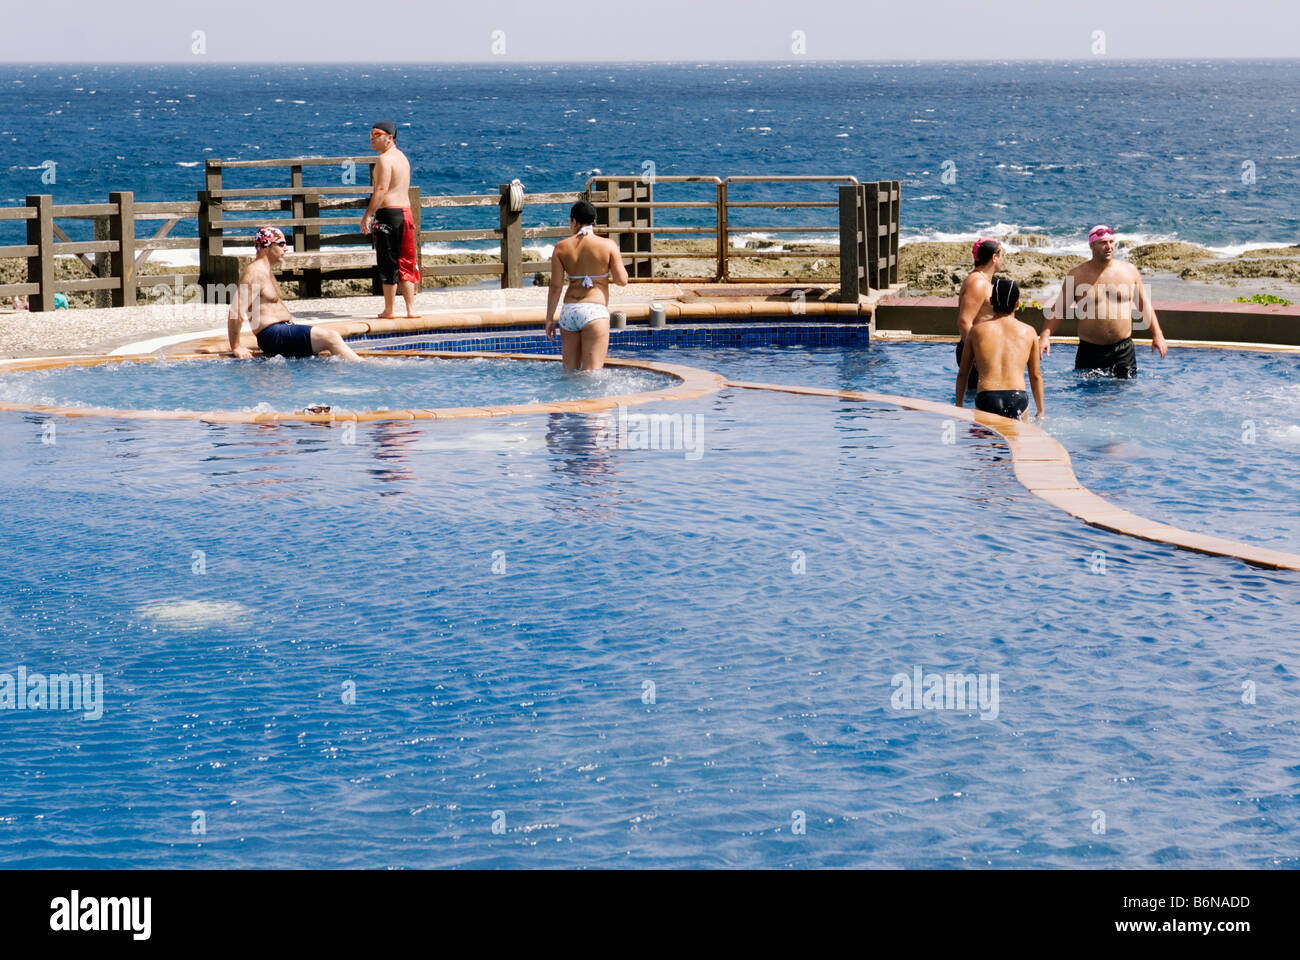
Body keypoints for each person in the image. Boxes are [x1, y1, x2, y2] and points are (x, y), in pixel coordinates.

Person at [1038, 224, 1167, 378]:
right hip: (1089, 351)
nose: (1109, 247)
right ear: (1092, 245)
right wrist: (1045, 337)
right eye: (1103, 243)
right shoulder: (1077, 275)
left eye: (1111, 242)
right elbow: (1059, 309)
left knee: (1124, 397)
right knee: (1089, 400)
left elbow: (1143, 305)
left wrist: (1157, 334)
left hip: (1123, 351)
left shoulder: (1129, 271)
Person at [228, 226, 361, 361]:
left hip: (283, 331)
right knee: (331, 337)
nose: (286, 248)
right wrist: (236, 346)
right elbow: (236, 310)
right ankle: (362, 369)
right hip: (273, 336)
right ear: (265, 246)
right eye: (281, 244)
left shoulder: (266, 271)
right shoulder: (255, 272)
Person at [545, 200, 628, 371]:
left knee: (569, 373)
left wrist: (549, 319)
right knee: (592, 374)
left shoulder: (561, 248)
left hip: (569, 311)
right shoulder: (608, 245)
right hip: (594, 311)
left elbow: (555, 286)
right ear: (593, 221)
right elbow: (622, 280)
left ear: (574, 221)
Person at [956, 277, 1044, 421]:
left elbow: (963, 373)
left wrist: (959, 406)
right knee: (1016, 442)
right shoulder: (1029, 332)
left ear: (991, 301)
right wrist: (1041, 411)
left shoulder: (976, 331)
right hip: (1017, 398)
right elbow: (1035, 376)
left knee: (985, 442)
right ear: (1017, 304)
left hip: (987, 397)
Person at [360, 121, 421, 320]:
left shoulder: (385, 160)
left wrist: (368, 215)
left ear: (390, 138)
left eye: (377, 134)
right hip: (406, 213)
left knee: (388, 263)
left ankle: (390, 310)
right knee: (406, 261)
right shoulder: (402, 158)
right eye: (371, 134)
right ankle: (411, 309)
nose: (372, 137)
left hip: (389, 215)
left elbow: (381, 189)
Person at [956, 237, 1003, 394]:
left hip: (982, 349)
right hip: (976, 351)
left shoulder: (984, 281)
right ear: (994, 257)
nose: (1003, 259)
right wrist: (976, 355)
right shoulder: (977, 283)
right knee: (979, 404)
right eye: (1001, 254)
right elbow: (964, 321)